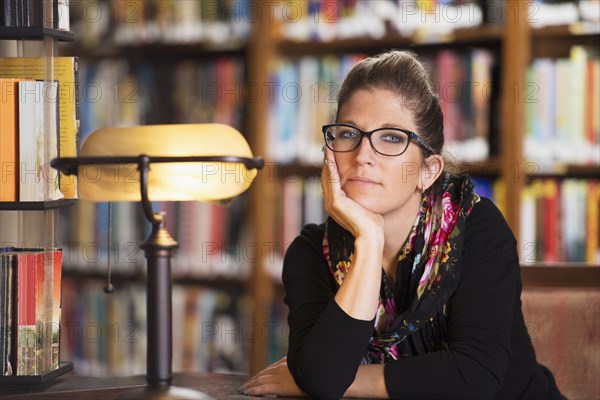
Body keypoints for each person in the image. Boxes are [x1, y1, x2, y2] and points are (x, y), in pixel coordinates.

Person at [241, 50, 564, 399]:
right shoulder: (311, 252)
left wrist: (349, 382)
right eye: (348, 134)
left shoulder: (477, 228)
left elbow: (474, 377)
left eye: (392, 138)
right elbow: (321, 377)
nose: (363, 155)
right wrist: (367, 240)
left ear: (428, 171)